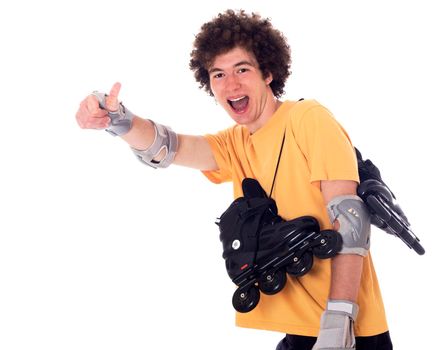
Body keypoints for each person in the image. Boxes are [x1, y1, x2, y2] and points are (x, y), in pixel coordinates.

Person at [75, 10, 393, 350]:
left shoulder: (308, 119)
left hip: (350, 330)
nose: (231, 84)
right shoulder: (236, 142)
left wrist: (339, 320)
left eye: (242, 69)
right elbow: (170, 146)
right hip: (301, 329)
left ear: (268, 72)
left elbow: (350, 221)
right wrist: (119, 120)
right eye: (219, 74)